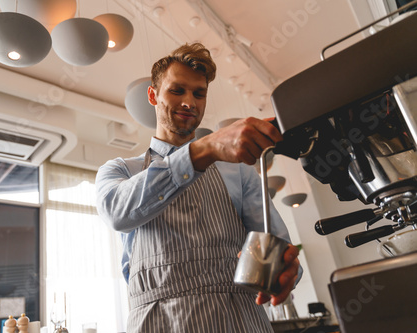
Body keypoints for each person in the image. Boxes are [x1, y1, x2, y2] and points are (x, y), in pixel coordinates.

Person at [96, 43, 300, 332]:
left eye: (199, 93)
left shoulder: (240, 172)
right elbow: (118, 212)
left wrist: (285, 271)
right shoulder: (120, 170)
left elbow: (276, 247)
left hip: (238, 319)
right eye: (177, 90)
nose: (190, 102)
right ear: (153, 95)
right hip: (158, 322)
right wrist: (203, 150)